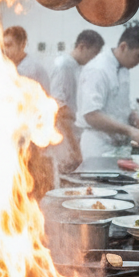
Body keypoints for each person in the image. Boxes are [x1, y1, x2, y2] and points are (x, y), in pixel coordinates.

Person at [76, 25, 139, 161]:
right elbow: (91, 115)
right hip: (98, 146)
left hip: (118, 146)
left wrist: (133, 116)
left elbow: (119, 104)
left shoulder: (123, 69)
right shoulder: (98, 69)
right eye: (138, 56)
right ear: (123, 47)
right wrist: (129, 130)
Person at [48, 30, 105, 172]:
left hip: (74, 134)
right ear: (82, 47)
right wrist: (74, 144)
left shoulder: (76, 66)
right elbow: (58, 107)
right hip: (64, 137)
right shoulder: (63, 65)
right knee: (67, 179)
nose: (94, 58)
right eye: (94, 53)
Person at [1, 25, 50, 91]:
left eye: (9, 45)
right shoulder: (10, 66)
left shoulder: (30, 68)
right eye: (4, 46)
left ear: (22, 45)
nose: (5, 50)